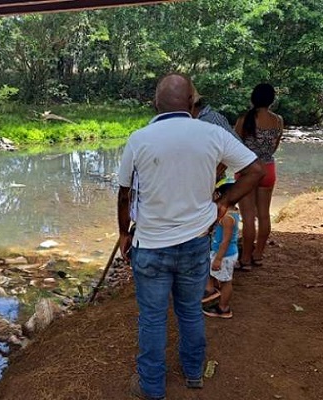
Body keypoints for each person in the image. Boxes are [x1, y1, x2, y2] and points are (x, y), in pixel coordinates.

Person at [117, 73, 264, 400]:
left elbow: (125, 194)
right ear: (190, 102)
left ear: (156, 103)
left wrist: (123, 234)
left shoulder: (139, 138)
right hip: (196, 244)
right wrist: (225, 202)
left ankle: (152, 387)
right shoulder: (212, 133)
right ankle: (194, 373)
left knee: (153, 320)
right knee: (189, 311)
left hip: (150, 246)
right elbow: (255, 171)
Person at [235, 83, 284, 270]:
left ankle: (245, 259)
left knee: (248, 217)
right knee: (264, 214)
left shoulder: (244, 119)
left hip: (248, 169)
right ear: (271, 100)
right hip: (268, 169)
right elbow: (275, 147)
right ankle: (259, 255)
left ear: (253, 98)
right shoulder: (278, 120)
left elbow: (235, 146)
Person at [202, 179, 240, 319]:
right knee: (213, 272)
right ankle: (210, 290)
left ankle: (223, 308)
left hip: (224, 254)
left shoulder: (228, 218)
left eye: (217, 195)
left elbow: (226, 240)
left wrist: (218, 258)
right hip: (222, 252)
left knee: (226, 281)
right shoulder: (232, 211)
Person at [190, 88, 240, 182]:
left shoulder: (212, 119)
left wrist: (216, 172)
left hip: (213, 183)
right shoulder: (190, 122)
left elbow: (237, 146)